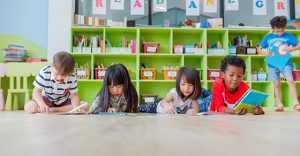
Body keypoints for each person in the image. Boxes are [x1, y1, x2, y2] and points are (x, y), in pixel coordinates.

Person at [257, 16, 300, 112]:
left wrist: (292, 49)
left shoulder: (288, 36)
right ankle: (280, 104)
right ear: (273, 29)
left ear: (284, 27)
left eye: (282, 30)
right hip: (272, 63)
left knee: (290, 81)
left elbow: (298, 45)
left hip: (285, 62)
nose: (280, 33)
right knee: (276, 84)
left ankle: (296, 103)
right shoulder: (268, 37)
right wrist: (265, 53)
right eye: (277, 31)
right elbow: (259, 49)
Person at [24, 51, 89, 114]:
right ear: (52, 66)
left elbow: (74, 95)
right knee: (30, 107)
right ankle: (48, 108)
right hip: (47, 99)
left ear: (70, 72)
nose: (59, 78)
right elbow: (36, 91)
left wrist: (76, 109)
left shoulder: (72, 76)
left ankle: (53, 109)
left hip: (64, 101)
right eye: (57, 74)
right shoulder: (45, 72)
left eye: (63, 75)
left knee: (85, 106)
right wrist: (42, 105)